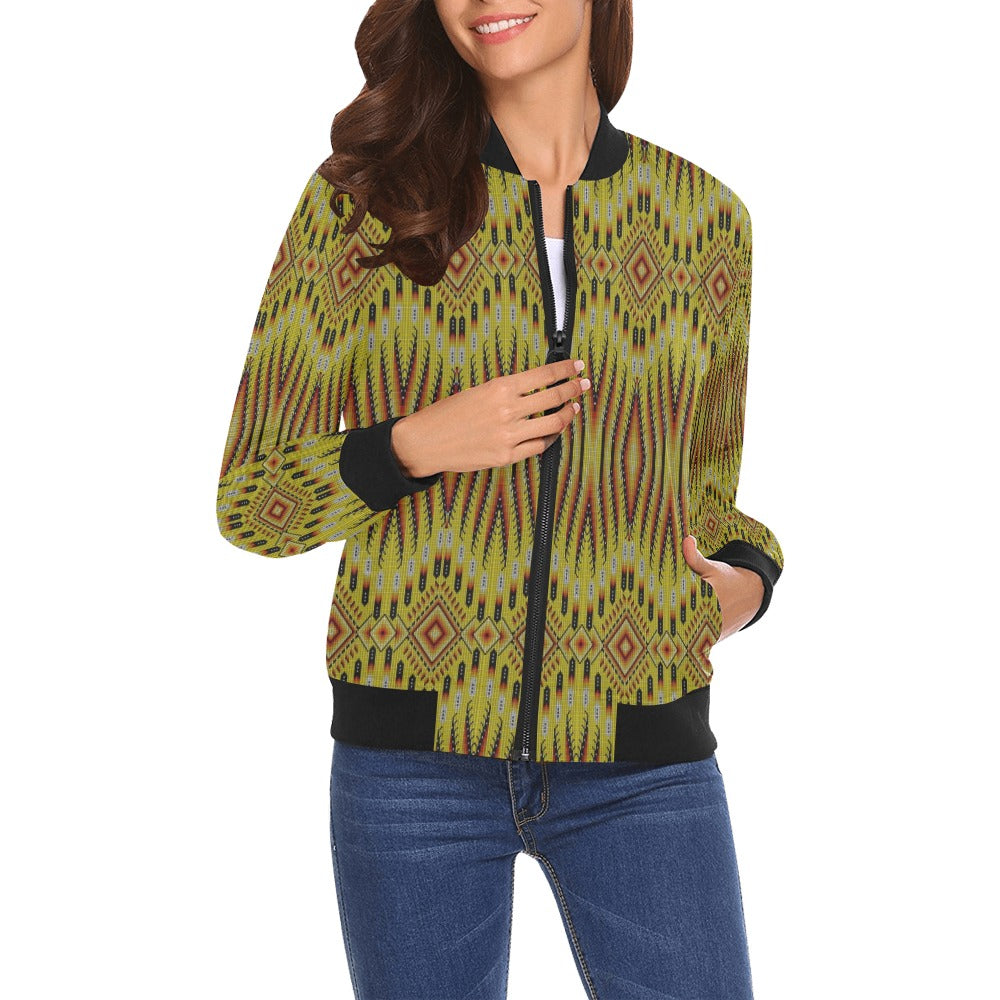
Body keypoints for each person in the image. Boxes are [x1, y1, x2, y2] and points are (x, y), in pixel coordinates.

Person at [216, 1, 784, 997]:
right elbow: (253, 498)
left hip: (643, 756)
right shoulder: (363, 204)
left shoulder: (705, 223)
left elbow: (705, 494)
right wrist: (414, 445)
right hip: (412, 767)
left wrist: (747, 581)